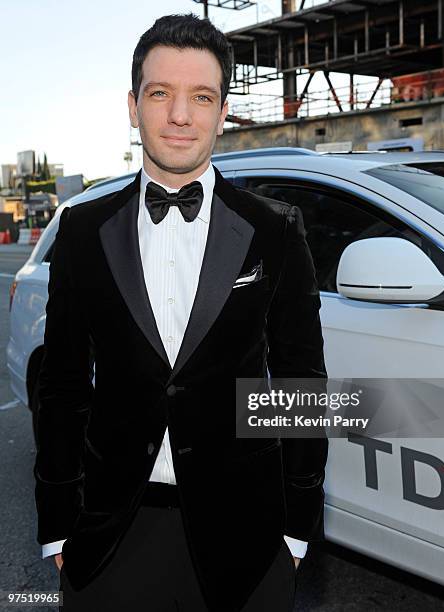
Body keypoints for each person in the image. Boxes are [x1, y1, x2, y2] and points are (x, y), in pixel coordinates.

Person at [33, 13, 328, 612]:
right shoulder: (83, 229)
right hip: (110, 535)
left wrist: (297, 528)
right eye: (160, 93)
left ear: (223, 112)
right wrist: (56, 522)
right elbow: (62, 384)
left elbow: (302, 385)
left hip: (246, 539)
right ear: (133, 105)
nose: (180, 115)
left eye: (201, 97)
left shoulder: (273, 230)